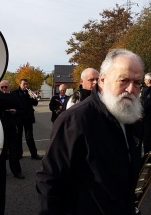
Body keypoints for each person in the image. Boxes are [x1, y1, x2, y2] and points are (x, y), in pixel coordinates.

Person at [36, 49, 144, 215]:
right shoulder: (74, 120)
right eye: (124, 80)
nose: (131, 89)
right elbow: (49, 180)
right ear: (102, 80)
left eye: (137, 83)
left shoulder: (132, 117)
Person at [0, 79, 25, 179]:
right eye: (2, 87)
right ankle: (1, 172)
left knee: (14, 150)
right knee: (1, 151)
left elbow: (21, 110)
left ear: (9, 87)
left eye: (6, 87)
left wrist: (15, 111)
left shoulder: (14, 97)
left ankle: (16, 171)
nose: (4, 89)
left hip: (11, 126)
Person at [12, 78, 42, 160]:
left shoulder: (29, 93)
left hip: (28, 118)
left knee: (29, 137)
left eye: (26, 84)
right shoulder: (15, 93)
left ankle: (34, 154)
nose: (26, 86)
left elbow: (35, 103)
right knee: (18, 137)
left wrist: (33, 97)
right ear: (20, 84)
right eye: (24, 84)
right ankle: (19, 154)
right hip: (19, 118)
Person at [140, 73, 151, 154]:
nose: (144, 81)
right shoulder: (145, 89)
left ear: (149, 80)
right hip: (145, 119)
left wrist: (142, 109)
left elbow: (147, 103)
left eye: (145, 79)